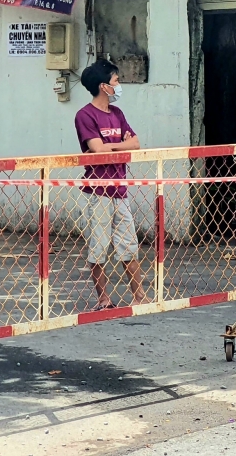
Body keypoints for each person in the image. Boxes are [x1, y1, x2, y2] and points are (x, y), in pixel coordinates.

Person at [74, 59, 146, 311]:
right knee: (99, 247)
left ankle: (139, 297)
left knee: (129, 245)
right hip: (98, 192)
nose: (119, 84)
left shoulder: (117, 114)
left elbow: (135, 143)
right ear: (103, 86)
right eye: (116, 80)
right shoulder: (85, 115)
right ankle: (103, 299)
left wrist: (111, 146)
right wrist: (119, 146)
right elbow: (96, 149)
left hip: (119, 190)